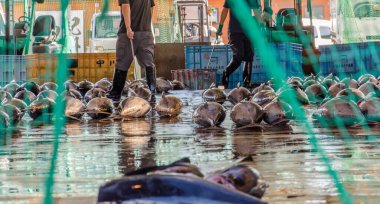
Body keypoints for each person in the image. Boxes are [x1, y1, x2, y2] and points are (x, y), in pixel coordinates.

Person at [107, 0, 156, 103]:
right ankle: (152, 94)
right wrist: (145, 25)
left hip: (128, 34)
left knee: (122, 64)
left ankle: (115, 95)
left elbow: (125, 6)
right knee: (149, 64)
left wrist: (128, 28)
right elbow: (151, 8)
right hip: (146, 33)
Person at [217, 0, 262, 88]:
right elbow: (225, 10)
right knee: (239, 55)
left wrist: (261, 27)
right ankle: (226, 73)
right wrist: (220, 27)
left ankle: (247, 82)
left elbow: (256, 12)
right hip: (235, 31)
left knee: (249, 56)